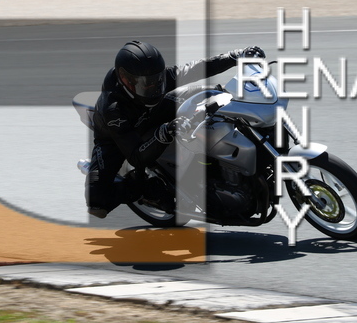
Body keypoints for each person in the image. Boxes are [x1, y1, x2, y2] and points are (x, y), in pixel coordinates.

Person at [86, 40, 265, 218]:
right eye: (146, 84)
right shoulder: (113, 109)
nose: (153, 87)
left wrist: (235, 56)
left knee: (218, 95)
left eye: (157, 80)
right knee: (97, 203)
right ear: (125, 80)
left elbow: (195, 68)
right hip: (118, 137)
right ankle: (144, 190)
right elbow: (136, 156)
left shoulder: (157, 80)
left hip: (154, 110)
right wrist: (163, 133)